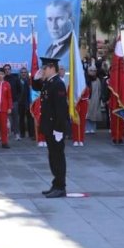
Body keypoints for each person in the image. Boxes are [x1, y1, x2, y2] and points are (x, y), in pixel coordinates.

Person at [33, 57, 69, 198]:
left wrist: (59, 129)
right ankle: (56, 184)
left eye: (45, 68)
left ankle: (61, 187)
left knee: (58, 158)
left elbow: (61, 109)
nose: (43, 71)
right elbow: (37, 88)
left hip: (55, 128)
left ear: (52, 67)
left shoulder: (58, 84)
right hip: (49, 127)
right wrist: (36, 77)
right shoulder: (49, 82)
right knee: (52, 157)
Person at [15, 66, 35, 140]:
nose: (23, 74)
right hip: (21, 103)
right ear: (20, 73)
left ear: (27, 73)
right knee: (21, 119)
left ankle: (31, 134)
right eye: (22, 72)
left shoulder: (30, 81)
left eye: (25, 72)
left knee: (30, 119)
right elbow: (15, 91)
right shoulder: (17, 81)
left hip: (29, 102)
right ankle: (22, 133)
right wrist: (18, 99)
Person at [72, 82, 90, 147]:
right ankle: (75, 139)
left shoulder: (84, 84)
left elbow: (87, 93)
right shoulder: (72, 84)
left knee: (82, 122)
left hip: (83, 104)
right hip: (74, 103)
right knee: (75, 122)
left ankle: (81, 139)